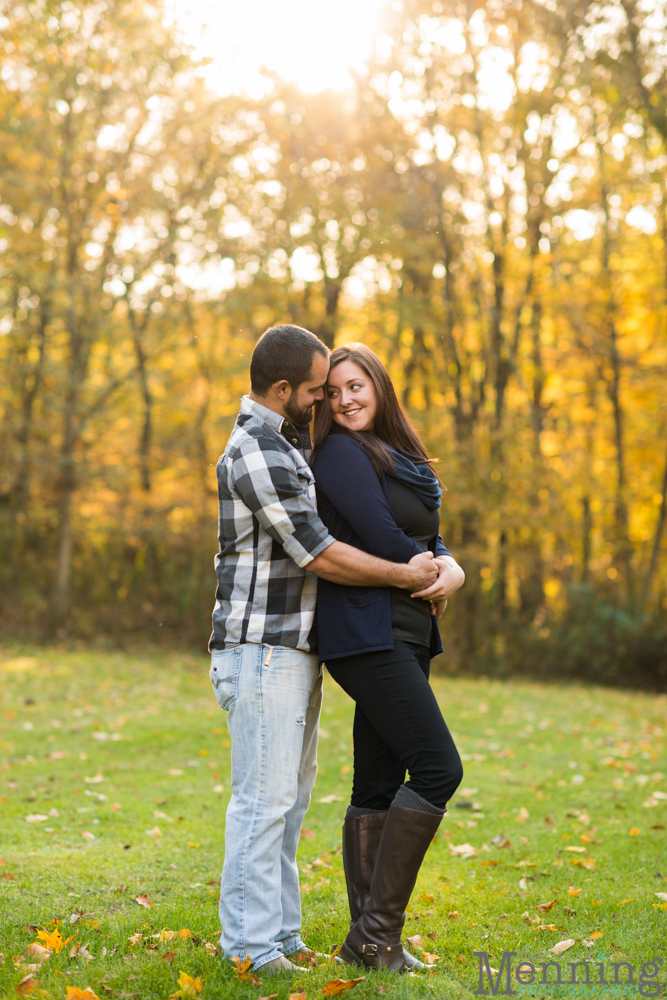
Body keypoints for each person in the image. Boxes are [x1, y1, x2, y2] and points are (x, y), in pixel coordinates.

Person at [209, 325, 439, 975]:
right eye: (314, 390)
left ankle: (279, 937)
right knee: (263, 802)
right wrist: (405, 575)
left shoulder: (282, 444)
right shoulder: (255, 450)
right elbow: (315, 551)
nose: (322, 402)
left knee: (288, 801)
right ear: (282, 390)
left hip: (289, 651)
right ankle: (249, 950)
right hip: (260, 649)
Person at [311, 343, 465, 973]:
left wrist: (449, 564)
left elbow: (424, 534)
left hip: (403, 628)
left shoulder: (397, 454)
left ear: (380, 387)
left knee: (375, 782)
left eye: (357, 387)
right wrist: (436, 568)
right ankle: (376, 935)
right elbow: (383, 538)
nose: (346, 400)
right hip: (365, 631)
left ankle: (368, 945)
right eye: (335, 391)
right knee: (437, 767)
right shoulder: (340, 452)